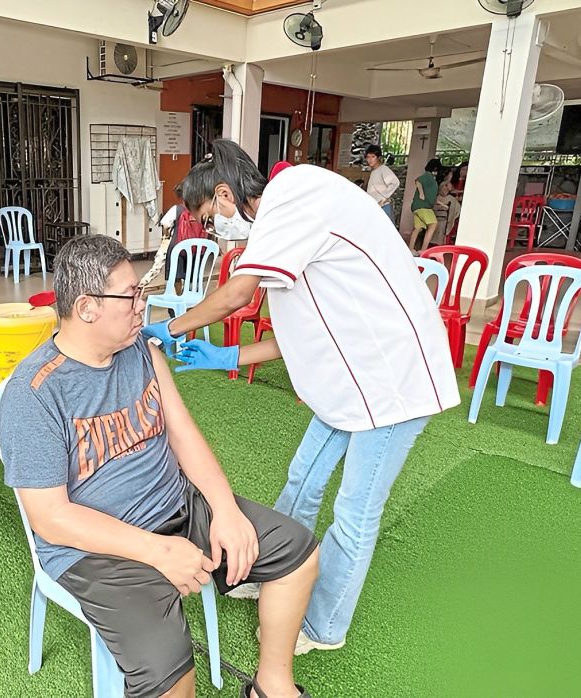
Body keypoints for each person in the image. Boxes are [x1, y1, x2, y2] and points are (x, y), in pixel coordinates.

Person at [143, 139, 459, 656]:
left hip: (392, 381)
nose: (212, 229)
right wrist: (228, 358)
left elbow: (237, 295)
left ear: (225, 195)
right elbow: (303, 332)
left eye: (208, 217)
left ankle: (322, 625)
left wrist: (167, 327)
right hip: (350, 377)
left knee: (355, 513)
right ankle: (271, 569)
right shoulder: (283, 227)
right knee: (303, 479)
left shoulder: (292, 197)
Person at [0, 234, 320, 698]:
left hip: (177, 507)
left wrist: (225, 510)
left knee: (298, 553)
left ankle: (272, 685)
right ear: (87, 307)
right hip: (97, 548)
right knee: (169, 671)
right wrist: (156, 550)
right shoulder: (34, 394)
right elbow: (51, 517)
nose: (141, 308)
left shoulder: (141, 352)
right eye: (131, 296)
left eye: (141, 293)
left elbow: (184, 436)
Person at [407, 158, 443, 253]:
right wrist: (421, 193)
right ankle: (423, 250)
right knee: (433, 224)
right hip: (423, 206)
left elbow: (433, 197)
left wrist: (442, 204)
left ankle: (410, 249)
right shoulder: (428, 176)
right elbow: (418, 181)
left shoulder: (431, 179)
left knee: (418, 228)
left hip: (416, 207)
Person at [363, 145, 399, 221]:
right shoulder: (374, 171)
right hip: (375, 207)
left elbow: (395, 182)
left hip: (383, 208)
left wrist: (384, 198)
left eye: (373, 157)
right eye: (368, 157)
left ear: (378, 157)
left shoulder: (383, 169)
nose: (370, 159)